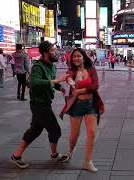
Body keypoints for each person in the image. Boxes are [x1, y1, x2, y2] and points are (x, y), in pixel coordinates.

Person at [10, 41, 68, 169]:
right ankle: (54, 154)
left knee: (35, 130)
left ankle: (16, 155)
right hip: (39, 105)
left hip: (45, 103)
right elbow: (34, 82)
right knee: (55, 130)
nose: (55, 52)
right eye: (53, 51)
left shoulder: (52, 66)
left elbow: (51, 80)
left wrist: (59, 87)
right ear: (46, 53)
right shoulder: (38, 66)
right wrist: (55, 81)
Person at [60, 48, 104, 172]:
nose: (76, 58)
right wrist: (70, 81)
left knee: (92, 133)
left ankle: (87, 161)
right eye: (73, 57)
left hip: (91, 104)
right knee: (75, 135)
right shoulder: (71, 71)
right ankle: (70, 150)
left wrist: (80, 90)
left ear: (84, 57)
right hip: (77, 105)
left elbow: (95, 86)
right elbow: (69, 79)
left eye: (78, 56)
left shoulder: (91, 69)